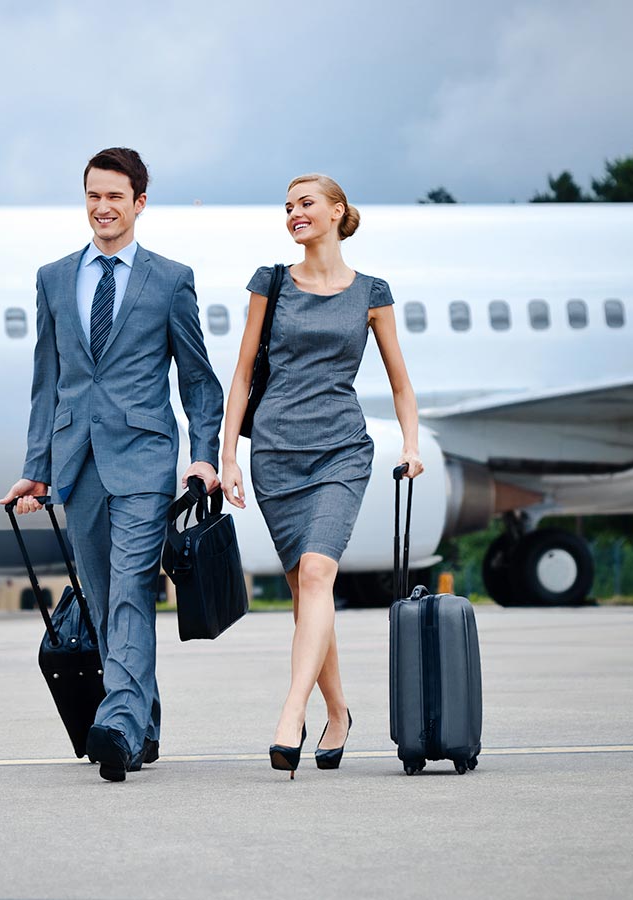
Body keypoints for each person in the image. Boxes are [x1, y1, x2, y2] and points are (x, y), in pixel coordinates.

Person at [0, 148, 223, 782]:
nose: (103, 208)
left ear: (139, 203)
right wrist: (35, 466)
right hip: (78, 461)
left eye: (115, 197)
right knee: (100, 596)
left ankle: (117, 721)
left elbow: (199, 382)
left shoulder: (169, 279)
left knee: (129, 588)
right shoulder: (52, 277)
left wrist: (203, 456)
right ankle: (142, 721)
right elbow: (47, 382)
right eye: (93, 196)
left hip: (146, 457)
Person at [221, 173, 424, 778]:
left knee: (318, 571)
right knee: (306, 593)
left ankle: (291, 715)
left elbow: (400, 382)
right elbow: (241, 374)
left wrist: (411, 445)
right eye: (288, 207)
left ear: (338, 212)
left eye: (306, 204)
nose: (294, 214)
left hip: (340, 450)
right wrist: (228, 454)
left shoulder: (372, 292)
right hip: (276, 454)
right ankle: (338, 713)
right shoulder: (272, 283)